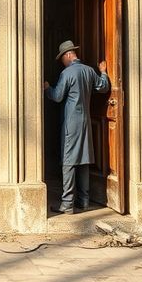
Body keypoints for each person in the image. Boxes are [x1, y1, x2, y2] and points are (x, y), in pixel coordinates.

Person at [43, 40, 110, 214]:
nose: (62, 62)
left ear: (68, 55)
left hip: (71, 123)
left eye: (62, 59)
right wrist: (103, 73)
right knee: (83, 160)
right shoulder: (89, 71)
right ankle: (84, 200)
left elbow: (57, 97)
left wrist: (48, 88)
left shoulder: (67, 73)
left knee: (68, 161)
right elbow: (103, 87)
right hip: (86, 121)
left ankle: (67, 203)